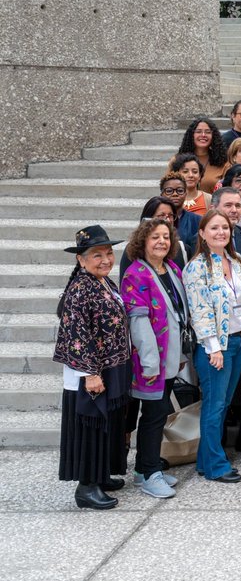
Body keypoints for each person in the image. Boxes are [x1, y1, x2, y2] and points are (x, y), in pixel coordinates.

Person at [55, 226, 133, 509]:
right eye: (96, 255)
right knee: (91, 425)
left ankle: (100, 475)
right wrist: (90, 374)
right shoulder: (80, 289)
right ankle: (86, 487)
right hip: (91, 374)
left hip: (111, 367)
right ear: (81, 259)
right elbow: (76, 334)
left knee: (106, 423)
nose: (105, 260)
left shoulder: (103, 282)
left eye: (109, 253)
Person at [119, 218, 186, 499]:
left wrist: (181, 353)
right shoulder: (135, 275)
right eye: (155, 237)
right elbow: (139, 324)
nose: (161, 242)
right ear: (142, 242)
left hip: (170, 357)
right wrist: (149, 363)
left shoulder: (171, 268)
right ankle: (148, 473)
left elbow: (178, 312)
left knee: (158, 415)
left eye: (166, 237)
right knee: (153, 416)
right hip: (150, 361)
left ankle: (145, 469)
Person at [183, 211, 241, 484]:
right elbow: (200, 311)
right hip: (215, 347)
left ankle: (204, 460)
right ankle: (216, 466)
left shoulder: (236, 261)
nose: (221, 232)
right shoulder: (196, 267)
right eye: (214, 228)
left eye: (225, 227)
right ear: (202, 233)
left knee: (222, 406)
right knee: (214, 406)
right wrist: (213, 348)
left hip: (239, 340)